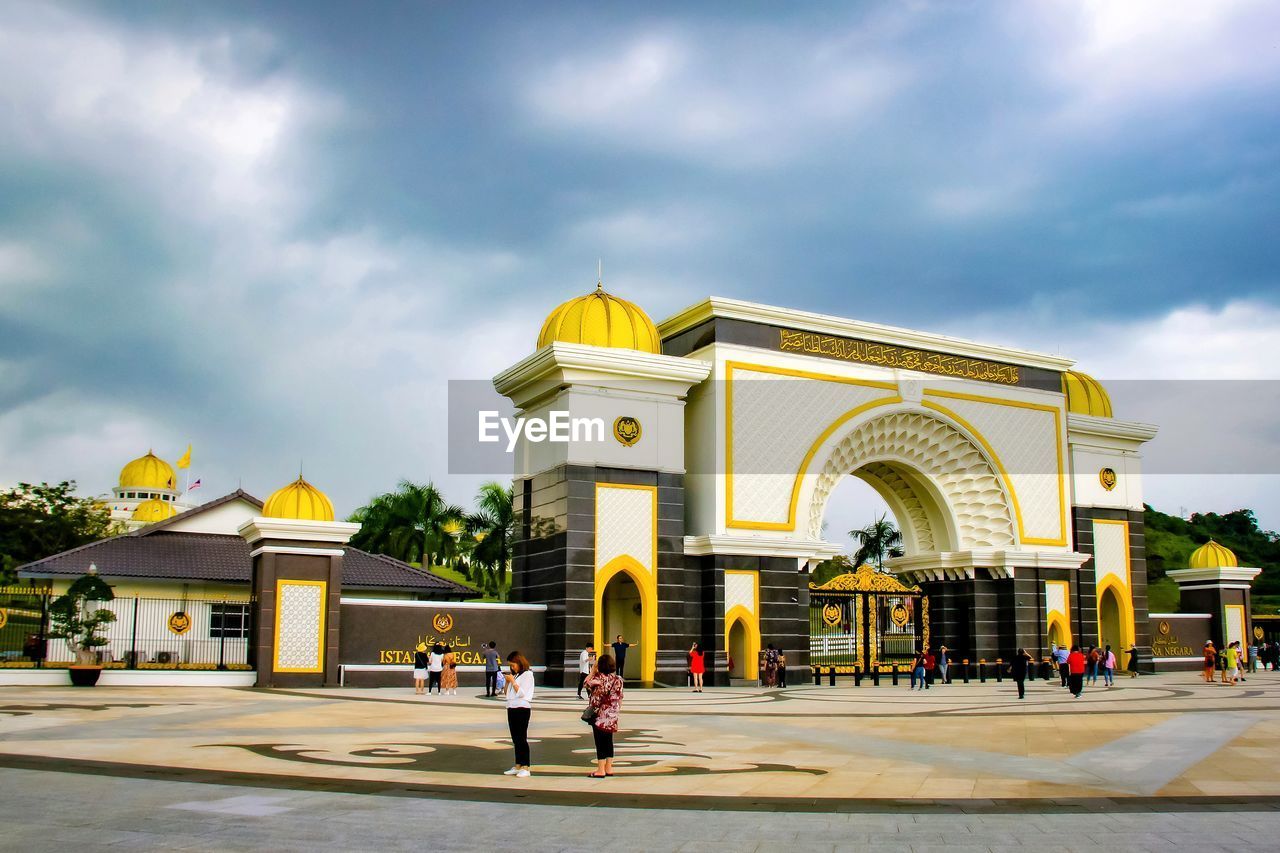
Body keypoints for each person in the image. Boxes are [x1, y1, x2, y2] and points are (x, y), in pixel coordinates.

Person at [583, 653, 624, 778]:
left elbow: (585, 683)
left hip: (599, 715)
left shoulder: (598, 679)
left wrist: (593, 670)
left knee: (599, 741)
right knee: (608, 741)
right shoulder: (618, 679)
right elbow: (620, 698)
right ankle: (609, 767)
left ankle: (600, 769)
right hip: (612, 715)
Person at [502, 651, 535, 778]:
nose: (512, 667)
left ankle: (526, 766)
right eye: (510, 665)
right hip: (511, 707)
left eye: (513, 664)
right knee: (515, 739)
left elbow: (522, 693)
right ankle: (518, 765)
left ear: (519, 662)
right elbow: (506, 693)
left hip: (522, 708)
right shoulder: (515, 676)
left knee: (522, 738)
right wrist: (507, 681)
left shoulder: (528, 675)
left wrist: (513, 682)